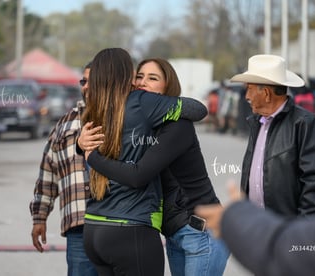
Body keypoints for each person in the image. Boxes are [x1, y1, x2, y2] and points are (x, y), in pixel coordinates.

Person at [80, 58, 229, 276]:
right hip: (173, 231)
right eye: (139, 77)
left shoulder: (177, 125)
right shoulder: (141, 122)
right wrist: (80, 143)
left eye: (153, 78)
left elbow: (138, 174)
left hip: (200, 231)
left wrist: (92, 157)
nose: (142, 83)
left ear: (167, 86)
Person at [230, 54, 315, 217]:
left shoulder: (306, 124)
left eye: (249, 88)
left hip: (288, 233)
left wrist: (302, 235)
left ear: (267, 94)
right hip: (256, 227)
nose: (246, 96)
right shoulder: (257, 122)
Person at [29, 61, 99, 276]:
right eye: (83, 81)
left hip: (116, 224)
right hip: (78, 226)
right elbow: (48, 171)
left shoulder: (121, 119)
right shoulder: (65, 123)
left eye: (92, 81)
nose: (86, 86)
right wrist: (39, 217)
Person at [195, 182, 315, 276]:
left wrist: (236, 217)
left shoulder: (303, 126)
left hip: (284, 239)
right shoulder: (257, 127)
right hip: (273, 238)